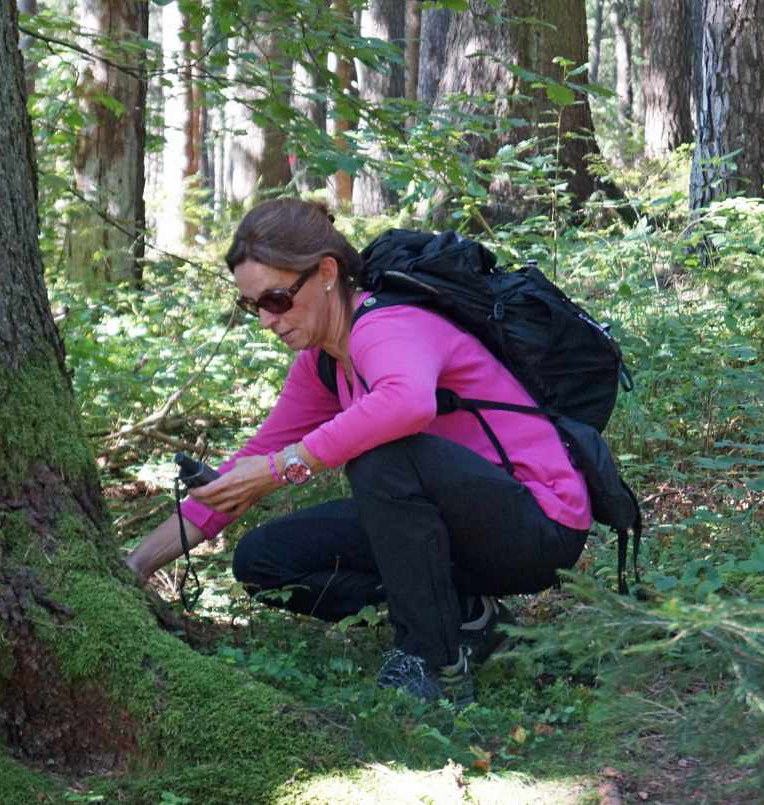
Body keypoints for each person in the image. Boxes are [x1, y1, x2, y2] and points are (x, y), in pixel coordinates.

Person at [126, 198, 591, 704]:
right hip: (458, 527)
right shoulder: (321, 363)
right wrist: (135, 567)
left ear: (326, 272)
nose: (265, 319)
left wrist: (284, 467)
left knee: (381, 457)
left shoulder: (387, 326)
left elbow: (406, 403)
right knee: (264, 560)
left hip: (538, 526)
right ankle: (466, 617)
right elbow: (252, 461)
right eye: (252, 305)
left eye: (276, 299)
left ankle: (432, 663)